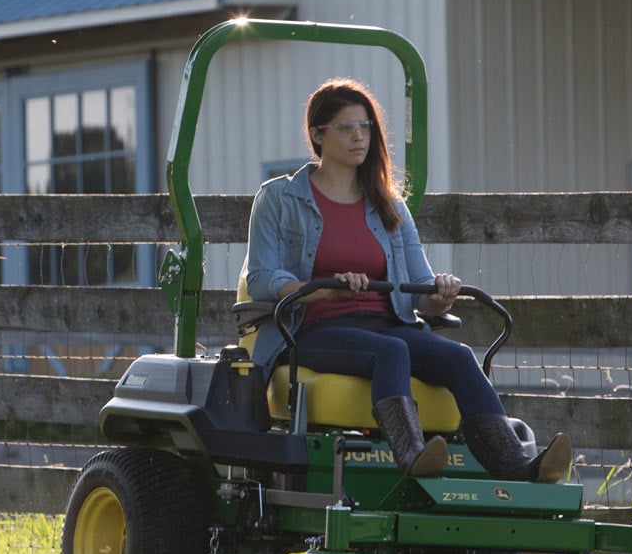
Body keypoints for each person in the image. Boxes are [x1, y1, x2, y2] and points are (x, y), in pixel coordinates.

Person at [243, 77, 570, 483]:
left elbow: (420, 290)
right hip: (313, 329)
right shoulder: (279, 199)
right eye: (346, 128)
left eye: (366, 127)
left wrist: (440, 295)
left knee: (459, 356)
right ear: (317, 135)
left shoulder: (389, 204)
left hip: (386, 324)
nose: (359, 137)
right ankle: (412, 455)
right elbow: (259, 278)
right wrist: (320, 289)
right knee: (391, 351)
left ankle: (517, 466)